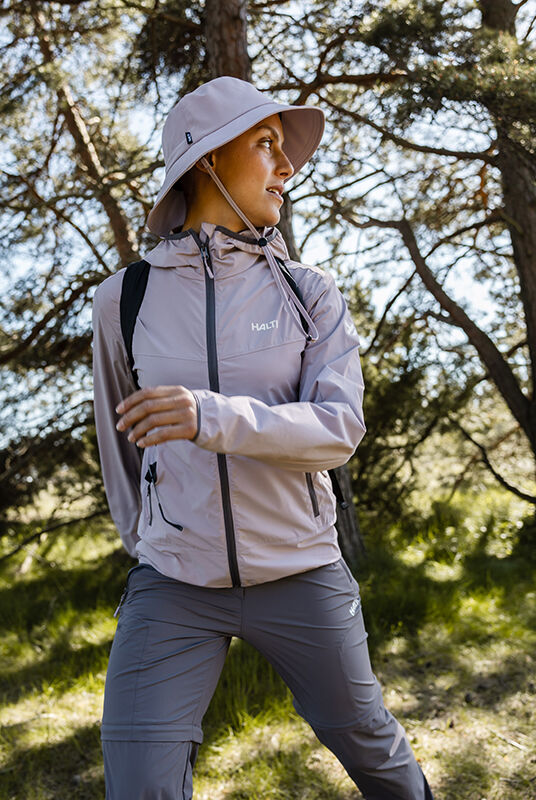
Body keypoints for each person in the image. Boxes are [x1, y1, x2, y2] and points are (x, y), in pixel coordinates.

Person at [92, 76, 434, 800]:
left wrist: (210, 416)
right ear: (207, 158)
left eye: (285, 149)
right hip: (173, 583)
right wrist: (151, 539)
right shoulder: (124, 299)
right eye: (267, 145)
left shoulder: (311, 294)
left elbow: (339, 431)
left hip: (301, 571)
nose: (288, 169)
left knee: (374, 752)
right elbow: (121, 439)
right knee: (138, 782)